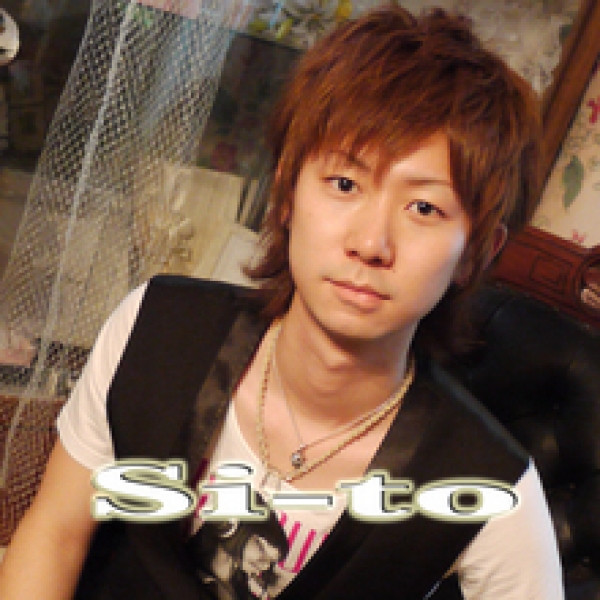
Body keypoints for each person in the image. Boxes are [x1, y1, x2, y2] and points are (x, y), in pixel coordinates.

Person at [0, 5, 564, 599]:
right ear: (287, 193)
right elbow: (56, 533)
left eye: (424, 208)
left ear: (475, 253)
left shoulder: (492, 488)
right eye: (345, 184)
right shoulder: (156, 328)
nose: (371, 244)